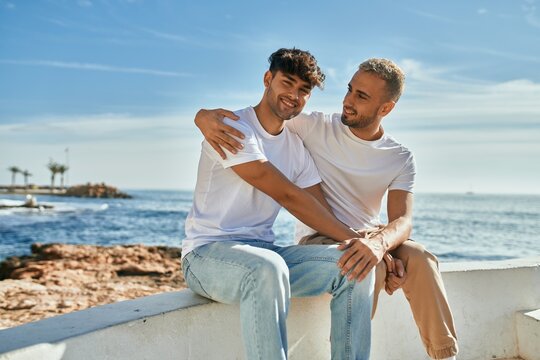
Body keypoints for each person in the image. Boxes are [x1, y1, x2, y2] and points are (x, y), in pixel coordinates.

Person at [195, 58, 459, 360]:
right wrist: (201, 116)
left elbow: (402, 219)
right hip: (308, 238)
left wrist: (378, 244)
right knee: (360, 262)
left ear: (385, 109)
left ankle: (445, 355)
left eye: (361, 96)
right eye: (350, 89)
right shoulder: (310, 126)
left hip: (359, 236)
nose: (348, 100)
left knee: (420, 258)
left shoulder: (397, 156)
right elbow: (270, 127)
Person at [182, 48, 375, 360]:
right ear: (267, 79)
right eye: (287, 83)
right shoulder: (233, 127)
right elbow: (288, 195)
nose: (294, 96)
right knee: (268, 268)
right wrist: (353, 237)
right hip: (207, 255)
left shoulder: (295, 148)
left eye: (304, 90)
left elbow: (319, 208)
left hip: (264, 254)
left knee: (357, 267)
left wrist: (368, 244)